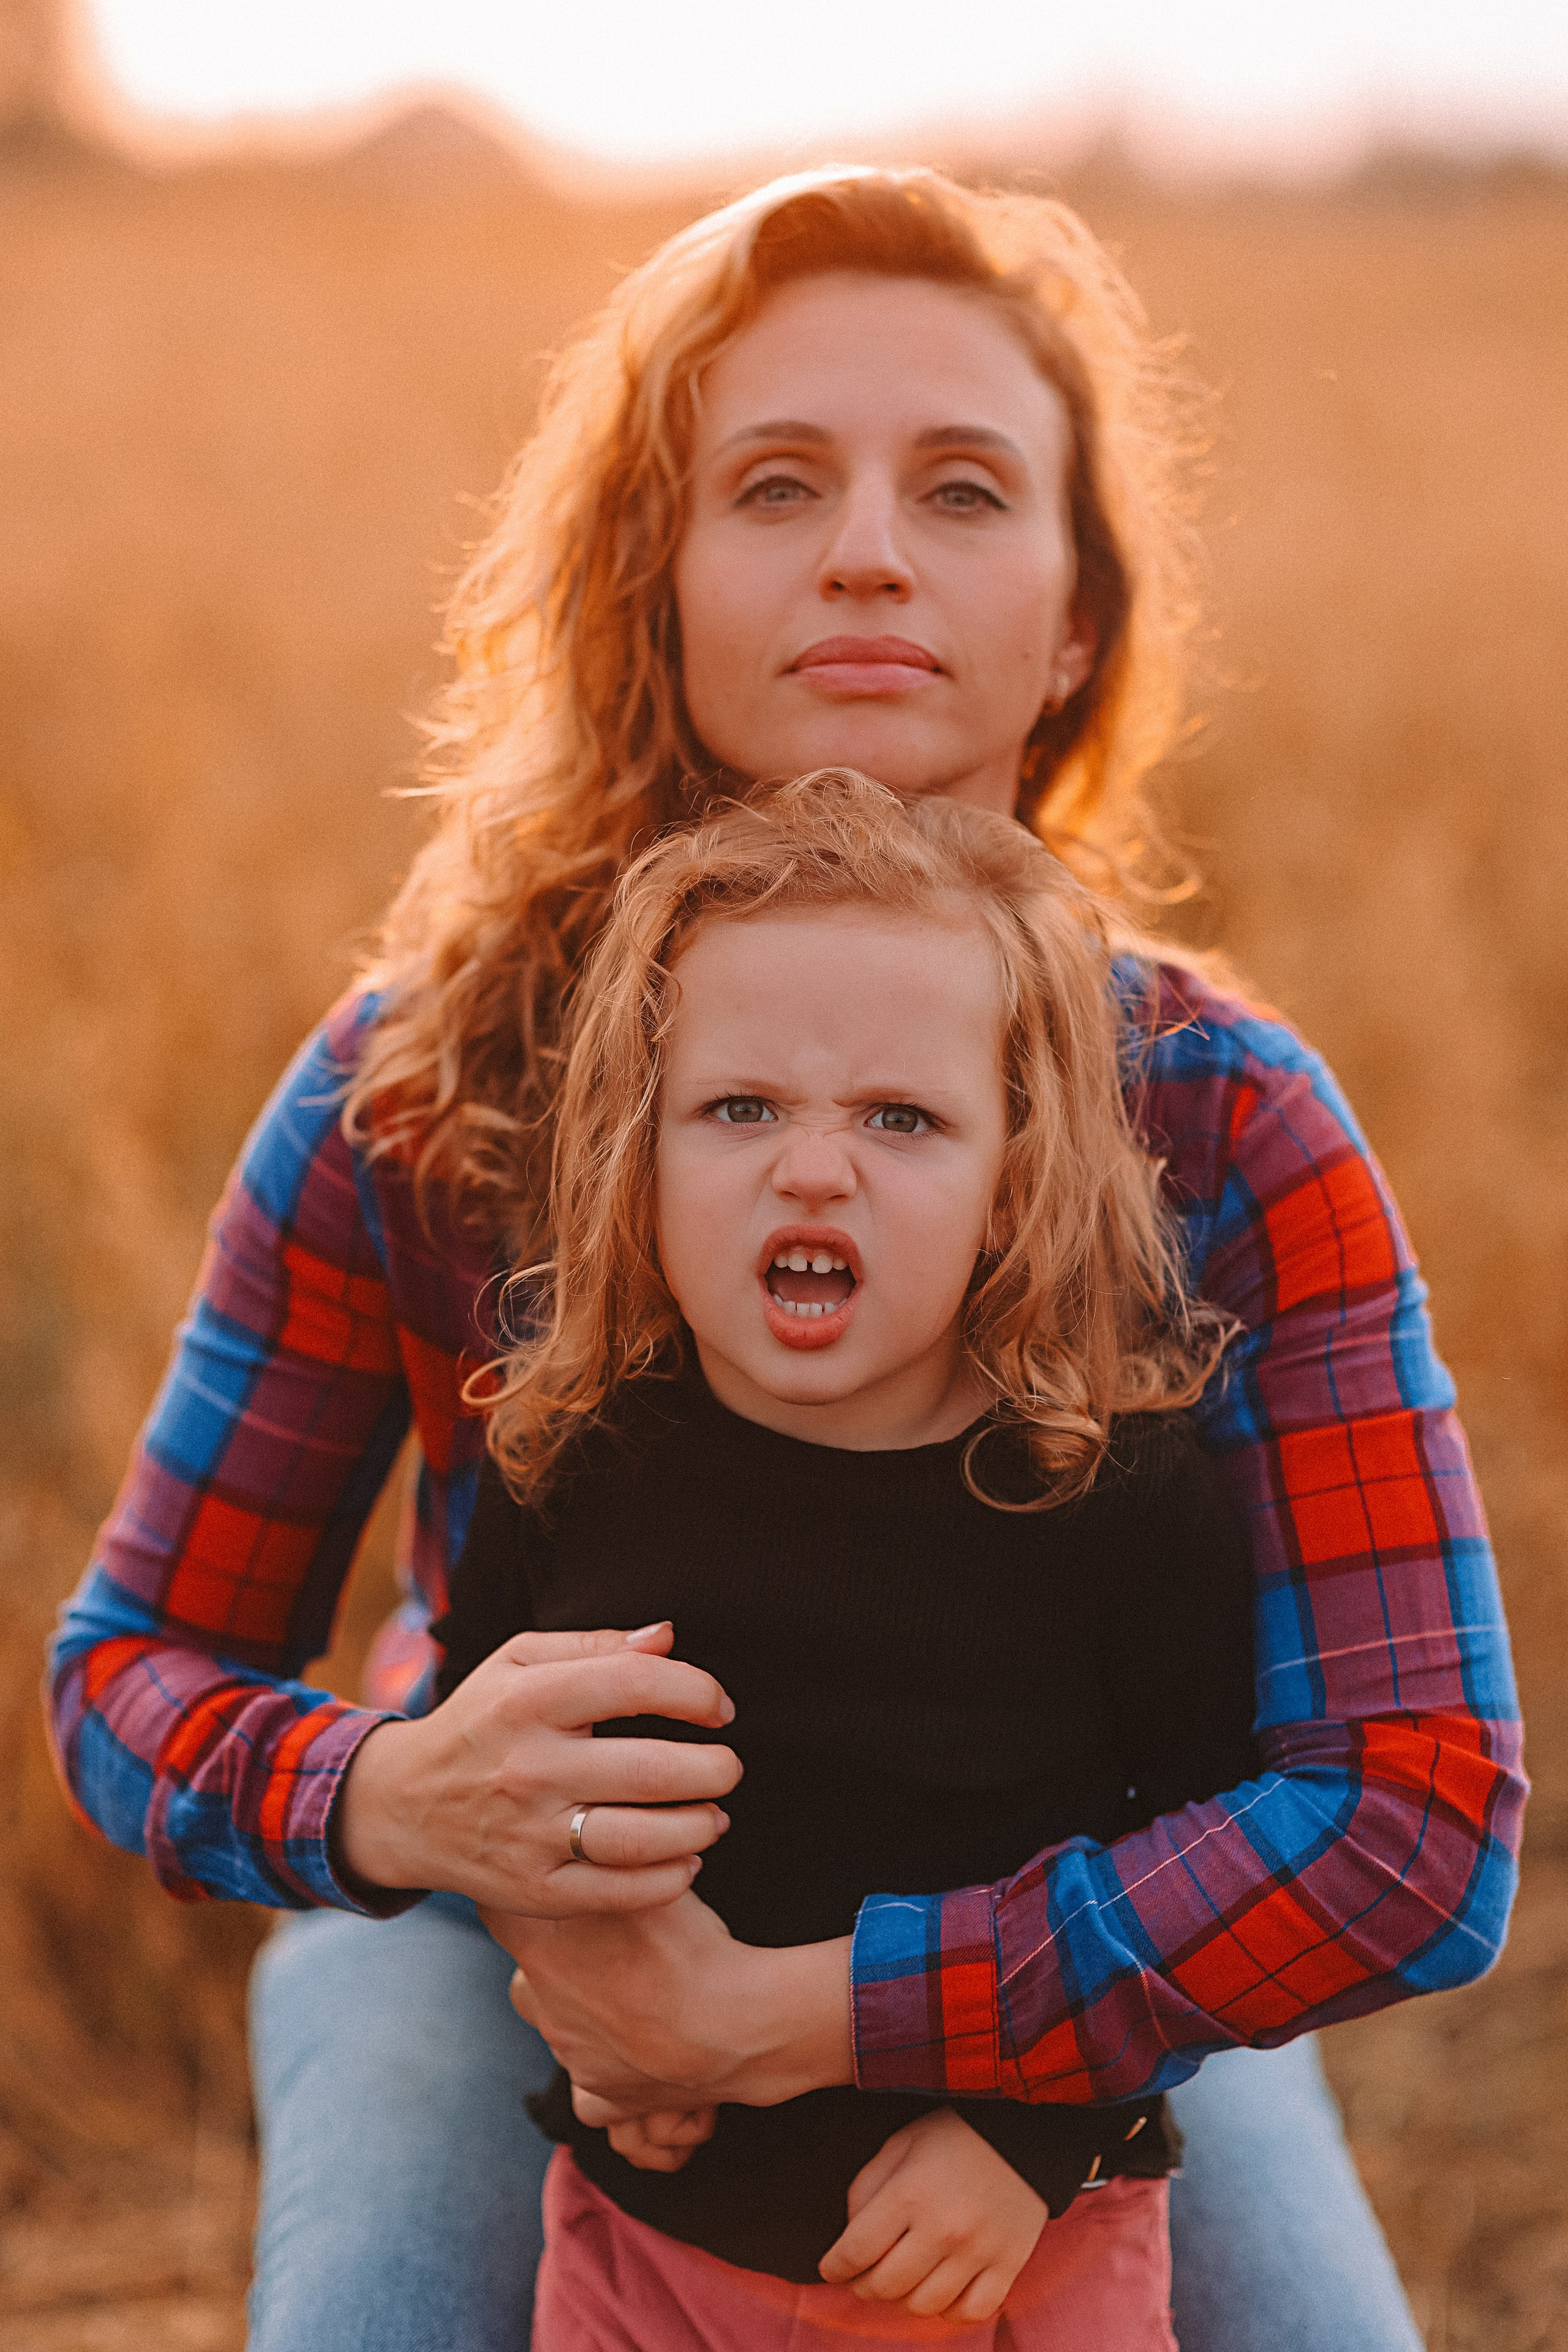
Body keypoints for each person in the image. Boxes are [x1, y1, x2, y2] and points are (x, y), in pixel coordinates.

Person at [43, 167, 1524, 2352]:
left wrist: (819, 2019)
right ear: (649, 586)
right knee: (375, 2313)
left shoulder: (1228, 1122)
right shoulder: (417, 1087)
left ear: (1078, 621)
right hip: (509, 1921)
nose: (866, 550)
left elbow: (1414, 1820)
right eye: (774, 484)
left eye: (963, 487)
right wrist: (393, 1795)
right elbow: (126, 1672)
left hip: (1068, 1947)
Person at [438, 769, 1254, 2347]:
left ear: (1014, 1176)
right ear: (638, 1151)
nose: (814, 1169)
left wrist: (1037, 2141)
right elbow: (479, 1765)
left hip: (1010, 2262)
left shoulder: (1113, 1504)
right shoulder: (574, 1455)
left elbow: (1204, 1869)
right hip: (648, 2249)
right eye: (741, 1109)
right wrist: (589, 1987)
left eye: (902, 1118)